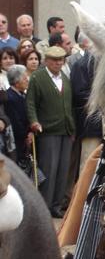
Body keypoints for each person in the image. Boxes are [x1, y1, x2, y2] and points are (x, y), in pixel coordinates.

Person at [26, 46, 75, 218]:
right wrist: (34, 121)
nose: (58, 63)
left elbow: (70, 105)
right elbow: (30, 102)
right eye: (54, 60)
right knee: (49, 170)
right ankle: (44, 207)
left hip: (66, 130)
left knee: (62, 171)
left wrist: (72, 128)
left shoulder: (66, 78)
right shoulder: (37, 77)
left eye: (61, 60)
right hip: (47, 130)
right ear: (46, 61)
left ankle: (56, 206)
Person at [5, 65, 33, 163]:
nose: (27, 80)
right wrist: (26, 136)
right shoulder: (10, 98)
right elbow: (16, 123)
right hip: (18, 142)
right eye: (25, 78)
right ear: (17, 82)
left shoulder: (23, 95)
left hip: (26, 137)